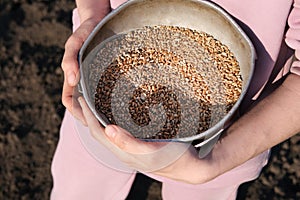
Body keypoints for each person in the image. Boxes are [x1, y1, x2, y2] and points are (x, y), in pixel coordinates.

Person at [51, 0, 300, 199]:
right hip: (100, 89)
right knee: (82, 184)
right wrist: (92, 15)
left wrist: (215, 162)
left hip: (230, 136)